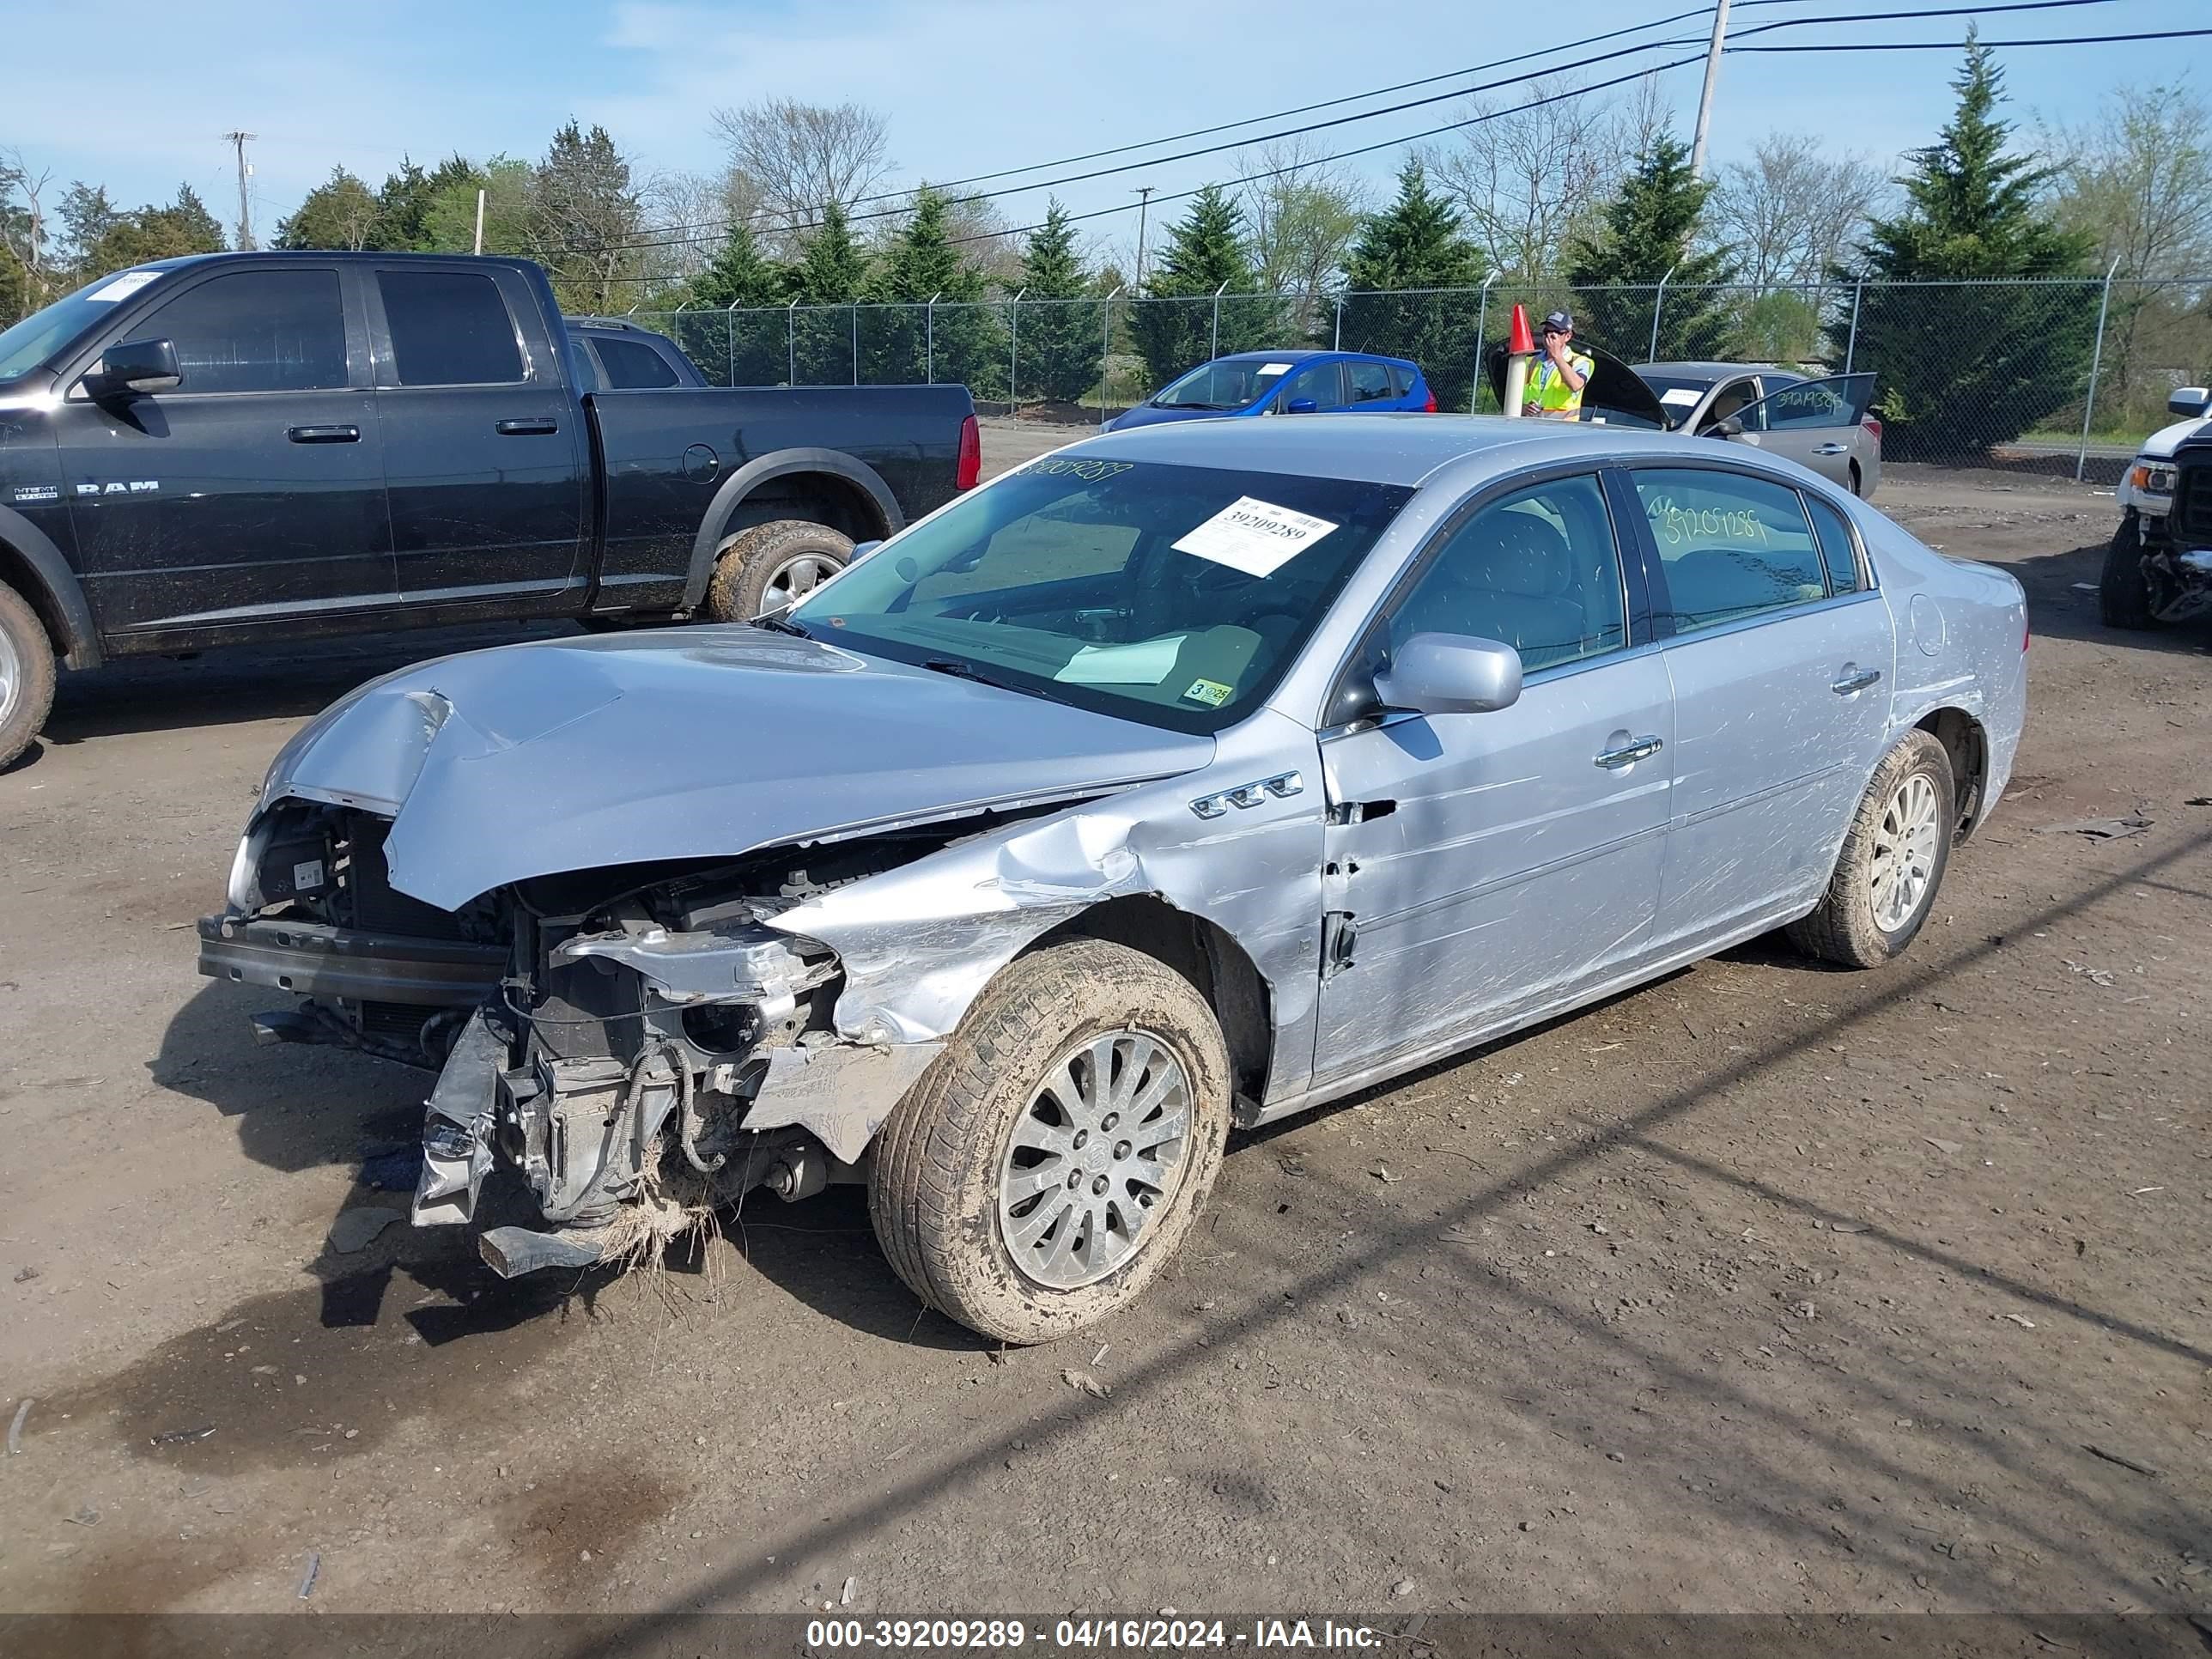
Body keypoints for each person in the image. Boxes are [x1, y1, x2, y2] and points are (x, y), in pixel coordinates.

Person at [1523, 310, 1593, 420]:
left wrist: (1557, 356)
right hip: (1533, 427)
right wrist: (1524, 409)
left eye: (1556, 332)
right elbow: (1514, 398)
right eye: (1546, 331)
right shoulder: (1530, 362)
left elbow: (1576, 385)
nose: (1549, 336)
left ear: (1568, 336)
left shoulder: (1580, 362)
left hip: (1562, 431)